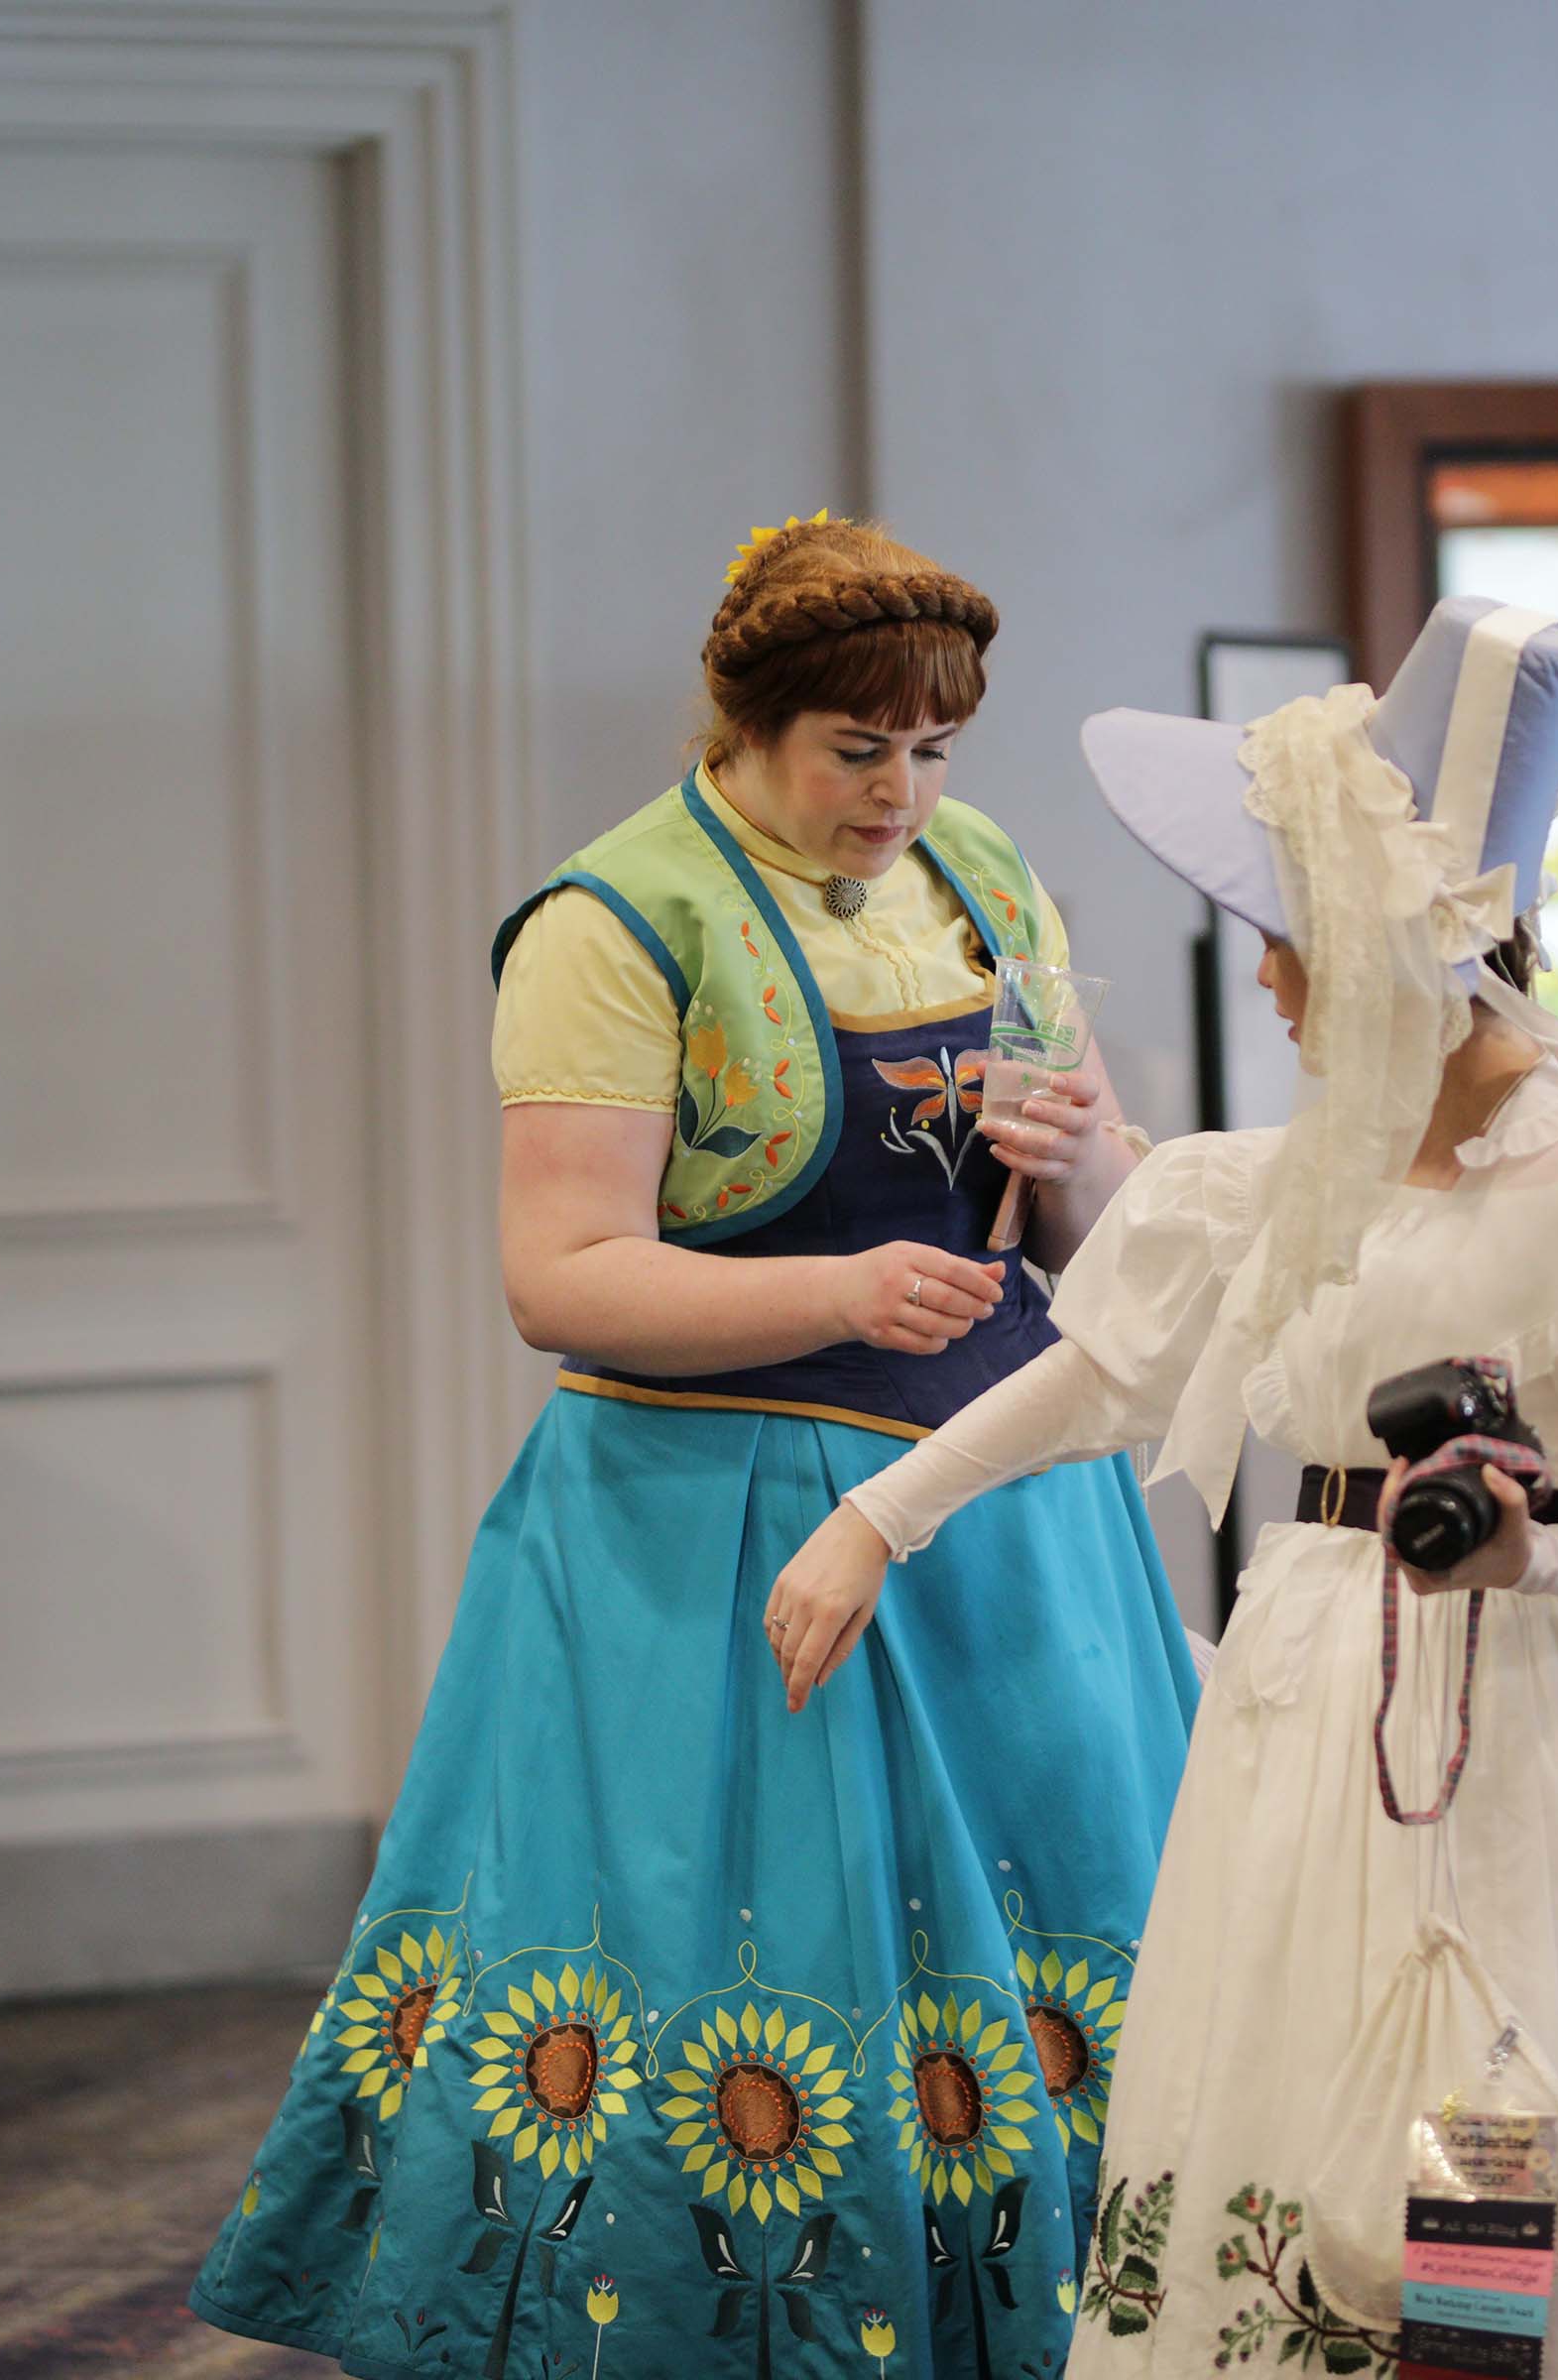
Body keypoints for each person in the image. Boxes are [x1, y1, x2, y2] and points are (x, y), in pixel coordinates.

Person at [191, 516, 1201, 2378]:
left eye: (933, 751)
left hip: (1008, 1523)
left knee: (1079, 1929)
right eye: (858, 750)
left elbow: (1106, 1232)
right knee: (767, 1958)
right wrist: (837, 1297)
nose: (902, 793)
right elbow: (559, 1276)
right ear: (744, 725)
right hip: (723, 1531)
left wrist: (1081, 1172)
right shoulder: (616, 921)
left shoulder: (983, 876)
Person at [774, 598, 1558, 2376]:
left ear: (1383, 947)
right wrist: (882, 1513)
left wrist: (1527, 1559)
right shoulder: (1315, 1169)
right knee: (1308, 2068)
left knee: (1482, 2079)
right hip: (1313, 1693)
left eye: (1286, 940)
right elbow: (1105, 1369)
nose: (1264, 980)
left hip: (1510, 1723)